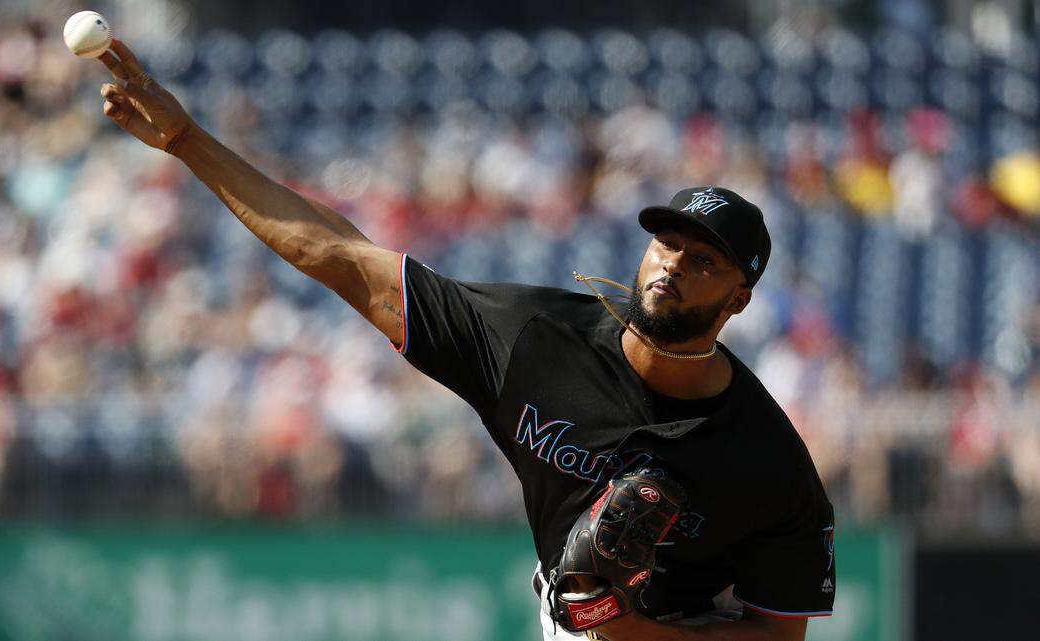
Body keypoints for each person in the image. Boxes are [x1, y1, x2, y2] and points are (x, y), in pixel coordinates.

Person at [95, 39, 835, 641]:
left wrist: (630, 628)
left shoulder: (767, 459)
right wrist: (188, 141)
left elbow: (779, 638)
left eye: (702, 260)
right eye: (666, 243)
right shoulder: (534, 340)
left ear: (738, 298)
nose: (672, 264)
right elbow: (341, 257)